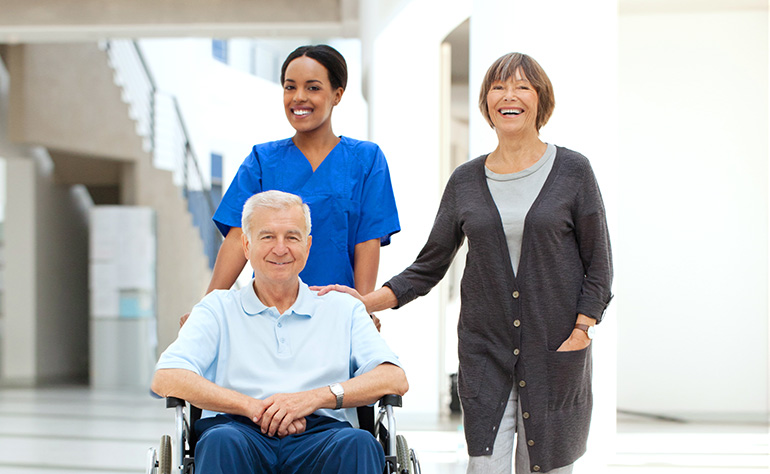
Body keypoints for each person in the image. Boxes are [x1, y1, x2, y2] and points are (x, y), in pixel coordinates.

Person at [315, 52, 613, 474]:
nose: (509, 96)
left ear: (541, 100)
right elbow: (429, 264)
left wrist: (582, 330)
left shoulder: (573, 171)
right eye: (498, 87)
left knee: (546, 466)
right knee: (483, 465)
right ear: (487, 102)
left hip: (554, 348)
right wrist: (365, 302)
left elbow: (599, 264)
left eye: (522, 86)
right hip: (485, 349)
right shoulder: (466, 181)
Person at [153, 190, 408, 474]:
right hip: (237, 430)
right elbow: (167, 377)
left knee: (359, 444)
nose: (280, 248)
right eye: (267, 237)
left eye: (292, 237)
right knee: (220, 441)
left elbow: (394, 378)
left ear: (308, 245)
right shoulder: (217, 308)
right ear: (246, 246)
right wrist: (253, 408)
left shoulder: (343, 308)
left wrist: (312, 399)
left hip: (323, 435)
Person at [206, 44, 399, 304]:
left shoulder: (366, 159)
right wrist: (205, 309)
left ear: (337, 95)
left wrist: (363, 310)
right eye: (290, 87)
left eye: (313, 87)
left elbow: (367, 241)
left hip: (334, 311)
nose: (298, 97)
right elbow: (237, 239)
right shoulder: (262, 160)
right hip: (267, 311)